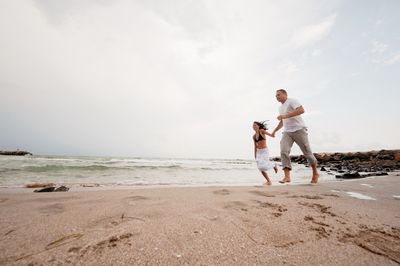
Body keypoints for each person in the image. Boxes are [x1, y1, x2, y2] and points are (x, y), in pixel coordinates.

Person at [271, 89, 319, 184]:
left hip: (299, 129)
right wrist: (274, 131)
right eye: (276, 96)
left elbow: (301, 110)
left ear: (285, 94)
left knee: (307, 153)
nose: (277, 97)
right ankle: (287, 176)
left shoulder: (292, 101)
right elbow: (282, 121)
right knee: (284, 151)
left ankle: (315, 173)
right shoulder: (280, 108)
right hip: (287, 132)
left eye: (278, 95)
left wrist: (285, 116)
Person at [253, 121, 278, 185]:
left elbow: (271, 135)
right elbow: (255, 146)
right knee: (260, 168)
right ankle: (268, 181)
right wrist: (255, 155)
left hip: (264, 151)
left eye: (255, 125)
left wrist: (274, 131)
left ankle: (273, 165)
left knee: (263, 167)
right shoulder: (254, 136)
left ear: (259, 126)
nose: (254, 126)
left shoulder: (261, 131)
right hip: (259, 152)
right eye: (253, 125)